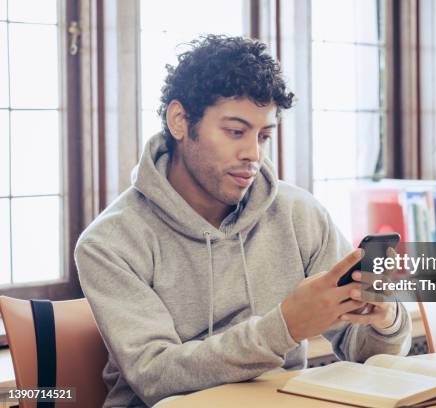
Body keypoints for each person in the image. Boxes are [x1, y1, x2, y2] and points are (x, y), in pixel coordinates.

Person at [75, 34, 411, 408]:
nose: (253, 154)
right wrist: (282, 328)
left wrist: (385, 318)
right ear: (180, 121)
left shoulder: (299, 214)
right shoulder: (109, 243)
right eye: (235, 132)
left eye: (263, 136)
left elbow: (362, 351)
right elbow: (156, 376)